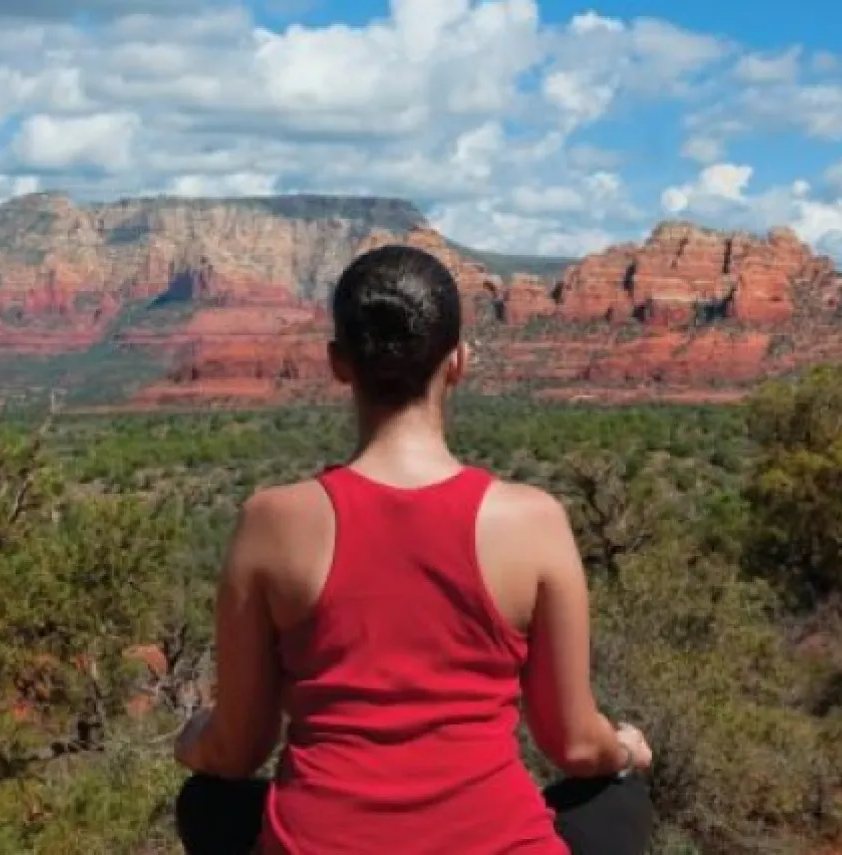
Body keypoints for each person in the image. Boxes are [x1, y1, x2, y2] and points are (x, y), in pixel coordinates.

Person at [173, 244, 655, 855]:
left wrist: (191, 738)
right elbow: (577, 746)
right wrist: (627, 748)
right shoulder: (533, 521)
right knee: (618, 796)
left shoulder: (271, 521)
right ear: (458, 362)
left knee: (208, 801)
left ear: (337, 364)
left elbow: (237, 750)